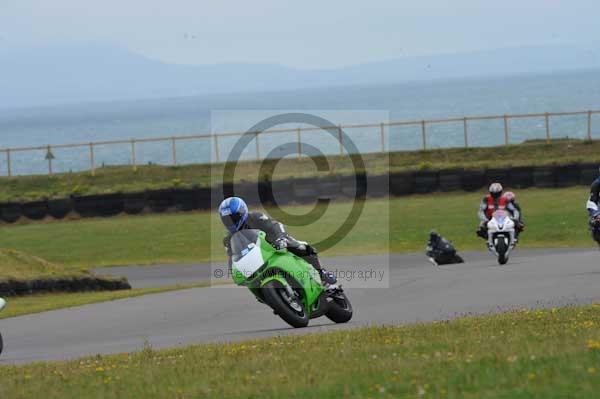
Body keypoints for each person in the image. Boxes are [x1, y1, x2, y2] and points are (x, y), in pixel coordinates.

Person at [218, 196, 338, 288]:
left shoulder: (255, 216)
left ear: (242, 211)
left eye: (233, 218)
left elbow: (275, 225)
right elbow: (232, 257)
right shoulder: (229, 239)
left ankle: (321, 273)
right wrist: (234, 271)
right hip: (257, 258)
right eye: (226, 220)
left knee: (301, 247)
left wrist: (281, 237)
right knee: (252, 283)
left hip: (275, 241)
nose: (231, 222)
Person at [586, 167, 600, 244]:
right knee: (595, 222)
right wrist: (596, 214)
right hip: (598, 210)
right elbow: (591, 202)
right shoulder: (596, 184)